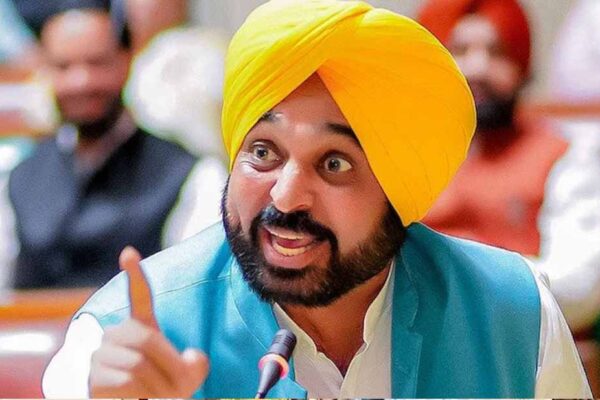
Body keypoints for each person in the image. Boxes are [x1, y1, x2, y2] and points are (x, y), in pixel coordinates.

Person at [42, 0, 590, 398]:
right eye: (263, 152)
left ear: (398, 189)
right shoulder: (120, 342)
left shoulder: (514, 316)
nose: (286, 198)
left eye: (334, 164)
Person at [0, 1, 226, 289]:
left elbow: (196, 290)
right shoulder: (17, 179)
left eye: (96, 63)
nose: (81, 82)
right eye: (63, 66)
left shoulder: (191, 176)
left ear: (127, 60)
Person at [419, 0, 568, 256]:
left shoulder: (558, 157)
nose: (477, 68)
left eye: (497, 52)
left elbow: (574, 269)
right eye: (459, 50)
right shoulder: (394, 153)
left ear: (522, 67)